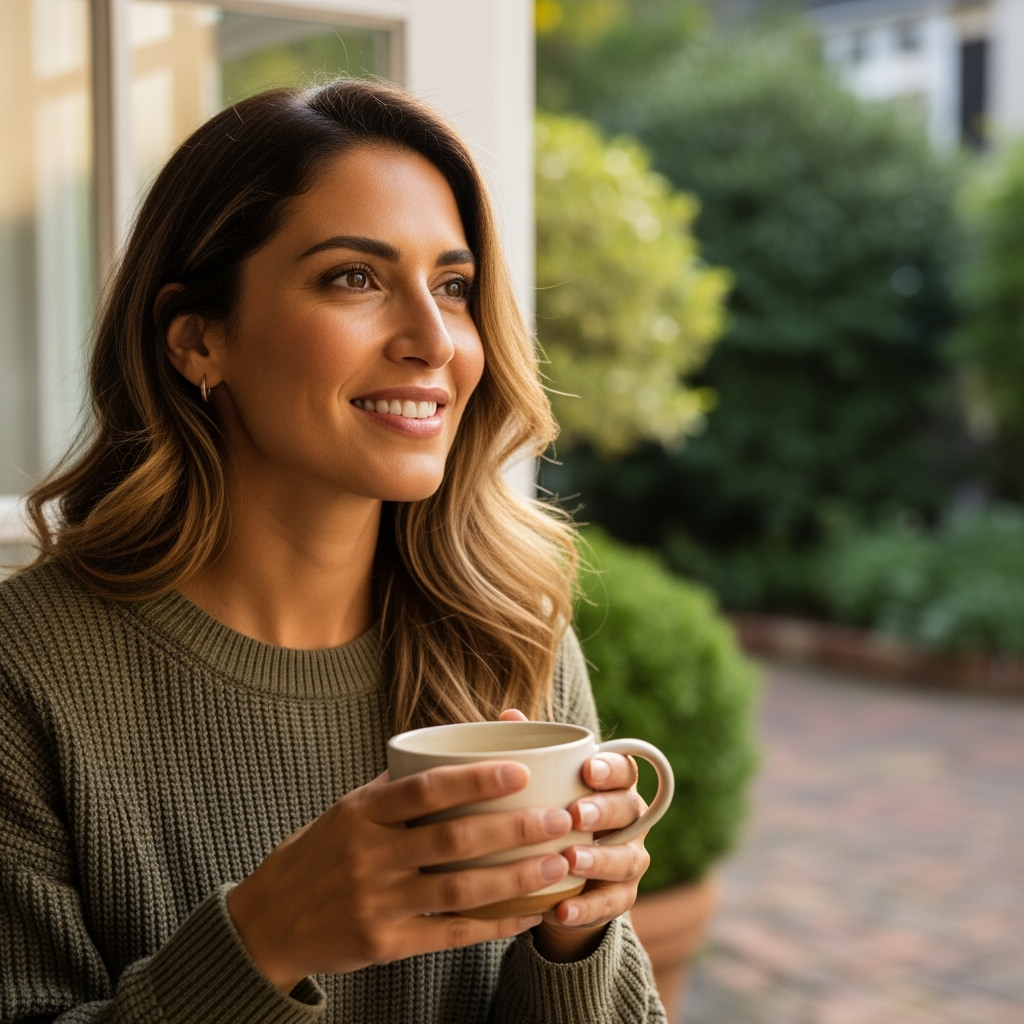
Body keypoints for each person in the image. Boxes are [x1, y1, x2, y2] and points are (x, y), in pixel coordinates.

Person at [0, 79, 665, 1023]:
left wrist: (579, 936)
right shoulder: (24, 670)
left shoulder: (508, 627)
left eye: (453, 286)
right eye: (354, 277)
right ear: (196, 338)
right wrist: (266, 940)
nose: (434, 341)